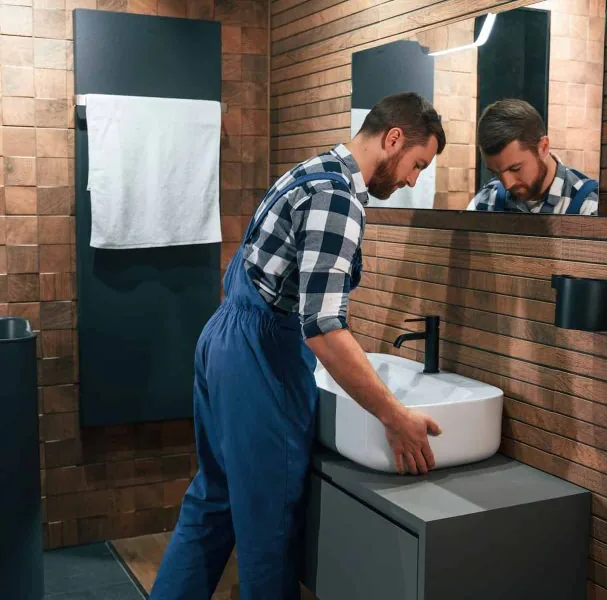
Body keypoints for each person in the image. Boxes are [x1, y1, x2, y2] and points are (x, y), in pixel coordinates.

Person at [149, 92, 447, 600]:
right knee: (269, 530)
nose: (412, 181)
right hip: (259, 360)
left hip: (224, 339)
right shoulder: (338, 195)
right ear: (393, 138)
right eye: (417, 164)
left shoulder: (313, 169)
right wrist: (394, 415)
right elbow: (324, 329)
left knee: (212, 503)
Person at [467, 99, 599, 215]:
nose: (507, 184)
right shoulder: (486, 200)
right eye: (496, 173)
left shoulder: (589, 206)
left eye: (515, 169)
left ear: (543, 147)